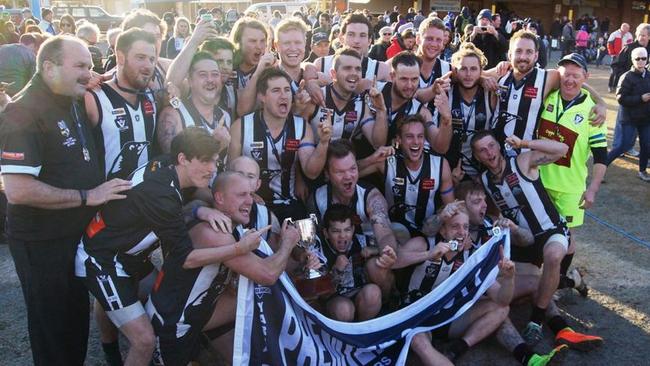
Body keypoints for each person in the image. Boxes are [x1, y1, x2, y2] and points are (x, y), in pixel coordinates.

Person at [0, 35, 132, 366]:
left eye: (89, 65)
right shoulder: (23, 111)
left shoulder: (70, 97)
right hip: (42, 242)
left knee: (74, 323)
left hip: (73, 237)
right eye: (80, 66)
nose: (88, 73)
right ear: (49, 67)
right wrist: (89, 195)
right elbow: (18, 189)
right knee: (54, 332)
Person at [75, 128, 238, 366]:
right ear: (183, 158)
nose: (213, 168)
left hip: (127, 255)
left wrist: (199, 209)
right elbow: (187, 258)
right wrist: (239, 249)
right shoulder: (161, 192)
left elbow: (172, 210)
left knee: (165, 303)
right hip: (102, 260)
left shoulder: (165, 165)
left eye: (215, 160)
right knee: (144, 340)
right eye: (205, 161)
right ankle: (114, 353)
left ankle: (178, 351)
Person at [146, 170, 299, 365]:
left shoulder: (225, 223)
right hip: (171, 324)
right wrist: (287, 244)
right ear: (219, 198)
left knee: (249, 297)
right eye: (241, 195)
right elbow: (267, 274)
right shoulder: (215, 233)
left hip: (196, 317)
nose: (250, 201)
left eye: (250, 194)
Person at [471, 131, 580, 347]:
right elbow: (494, 211)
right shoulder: (484, 181)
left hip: (550, 231)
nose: (489, 152)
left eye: (492, 146)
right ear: (477, 157)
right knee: (518, 292)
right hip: (523, 241)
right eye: (482, 150)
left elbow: (563, 149)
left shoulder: (522, 161)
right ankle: (569, 281)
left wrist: (524, 143)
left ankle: (536, 321)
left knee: (553, 256)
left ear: (499, 146)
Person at [394, 202, 515, 365]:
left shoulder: (471, 257)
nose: (461, 232)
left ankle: (457, 348)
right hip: (416, 314)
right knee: (418, 341)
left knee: (501, 309)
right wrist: (428, 255)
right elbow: (393, 262)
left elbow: (502, 300)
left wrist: (509, 278)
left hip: (446, 317)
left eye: (465, 227)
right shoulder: (425, 243)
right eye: (455, 226)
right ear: (443, 230)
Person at [537, 53, 607, 295]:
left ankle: (560, 281)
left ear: (585, 77)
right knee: (541, 233)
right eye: (566, 75)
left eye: (576, 76)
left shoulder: (592, 112)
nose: (570, 80)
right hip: (539, 181)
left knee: (566, 236)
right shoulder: (546, 97)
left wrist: (592, 189)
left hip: (570, 187)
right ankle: (551, 279)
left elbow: (601, 157)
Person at [228, 68, 331, 221]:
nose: (284, 96)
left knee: (306, 240)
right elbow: (230, 174)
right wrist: (248, 194)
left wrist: (323, 143)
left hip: (289, 204)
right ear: (262, 96)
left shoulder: (302, 127)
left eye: (287, 90)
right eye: (276, 90)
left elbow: (311, 172)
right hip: (251, 205)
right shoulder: (241, 127)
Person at [309, 140, 398, 296]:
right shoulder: (316, 199)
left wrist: (388, 252)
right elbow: (309, 242)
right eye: (340, 172)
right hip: (336, 263)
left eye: (352, 169)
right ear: (327, 174)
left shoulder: (372, 197)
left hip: (369, 257)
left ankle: (387, 306)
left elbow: (385, 234)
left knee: (376, 269)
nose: (348, 176)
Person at [492, 30, 606, 147]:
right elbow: (475, 76)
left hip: (525, 155)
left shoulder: (547, 78)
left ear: (536, 56)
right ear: (510, 54)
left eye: (529, 52)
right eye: (518, 51)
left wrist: (601, 102)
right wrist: (482, 79)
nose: (523, 57)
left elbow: (575, 82)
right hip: (494, 151)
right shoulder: (500, 73)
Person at [359, 114, 454, 237]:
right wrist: (371, 159)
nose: (415, 142)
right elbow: (348, 173)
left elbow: (451, 207)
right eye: (409, 137)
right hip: (393, 232)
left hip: (428, 232)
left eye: (420, 137)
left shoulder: (440, 165)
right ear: (399, 139)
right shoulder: (387, 161)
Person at [85, 28, 158, 181]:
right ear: (120, 57)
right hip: (107, 201)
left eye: (152, 59)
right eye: (140, 57)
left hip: (145, 198)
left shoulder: (152, 96)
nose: (148, 65)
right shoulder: (94, 96)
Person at [320, 204, 396, 321]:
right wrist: (336, 270)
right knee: (343, 310)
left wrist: (375, 250)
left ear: (353, 229)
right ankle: (345, 336)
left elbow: (400, 242)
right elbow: (321, 295)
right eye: (336, 231)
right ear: (326, 233)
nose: (342, 236)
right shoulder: (319, 250)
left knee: (373, 292)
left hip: (361, 294)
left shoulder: (361, 241)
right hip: (336, 299)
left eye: (347, 230)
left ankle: (363, 330)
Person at [298, 48, 387, 148]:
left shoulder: (360, 105)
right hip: (311, 159)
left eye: (358, 69)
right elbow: (296, 139)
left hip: (344, 161)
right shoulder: (315, 97)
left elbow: (378, 144)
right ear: (333, 74)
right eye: (347, 68)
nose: (354, 73)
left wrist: (381, 110)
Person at [157, 51, 231, 164]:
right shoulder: (174, 115)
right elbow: (175, 165)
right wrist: (215, 145)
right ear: (190, 81)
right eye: (203, 75)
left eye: (215, 74)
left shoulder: (225, 115)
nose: (210, 80)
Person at [445, 42, 495, 179]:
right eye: (463, 69)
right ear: (455, 71)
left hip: (483, 172)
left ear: (481, 71)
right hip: (451, 170)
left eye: (473, 69)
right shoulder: (447, 93)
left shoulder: (489, 95)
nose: (468, 74)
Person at [607, 47, 650, 181]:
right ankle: (602, 165)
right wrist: (640, 98)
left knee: (646, 145)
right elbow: (620, 98)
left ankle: (642, 171)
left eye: (644, 58)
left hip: (646, 118)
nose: (641, 61)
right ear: (632, 60)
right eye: (638, 58)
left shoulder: (648, 75)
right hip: (629, 118)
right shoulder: (626, 77)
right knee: (623, 146)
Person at [607, 23, 632, 92]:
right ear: (622, 28)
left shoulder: (629, 35)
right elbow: (609, 44)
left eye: (628, 29)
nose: (628, 30)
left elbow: (630, 46)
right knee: (613, 72)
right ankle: (610, 86)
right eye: (627, 28)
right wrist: (612, 53)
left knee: (620, 73)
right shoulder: (614, 34)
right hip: (615, 56)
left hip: (623, 56)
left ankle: (615, 86)